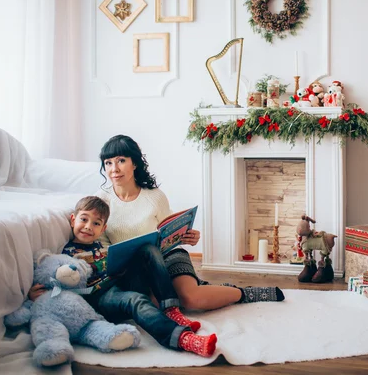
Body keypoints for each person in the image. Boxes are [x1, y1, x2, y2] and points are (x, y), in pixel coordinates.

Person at [96, 135, 285, 311]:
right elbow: (101, 243)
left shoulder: (154, 197)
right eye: (108, 163)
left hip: (167, 257)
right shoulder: (101, 201)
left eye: (121, 161)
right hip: (131, 270)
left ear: (134, 163)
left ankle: (244, 293)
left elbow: (167, 229)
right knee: (152, 304)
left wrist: (188, 236)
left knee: (190, 300)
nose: (114, 169)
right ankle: (204, 286)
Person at [29, 196, 217, 357]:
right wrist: (36, 294)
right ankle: (182, 338)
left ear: (103, 229)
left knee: (148, 249)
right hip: (98, 298)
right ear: (72, 220)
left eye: (96, 223)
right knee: (136, 300)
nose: (88, 227)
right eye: (83, 220)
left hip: (116, 282)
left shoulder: (101, 248)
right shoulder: (66, 252)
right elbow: (51, 275)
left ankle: (171, 310)